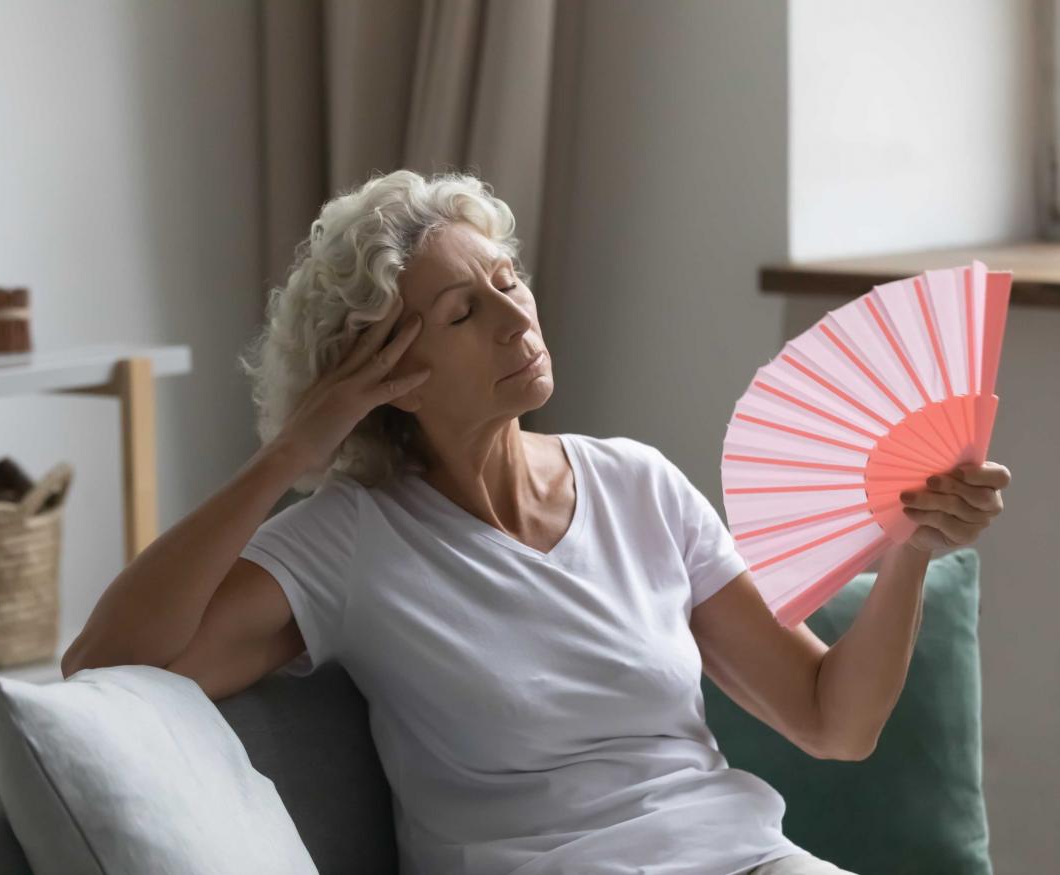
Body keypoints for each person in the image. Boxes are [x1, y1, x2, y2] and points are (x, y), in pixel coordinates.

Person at [63, 169, 1009, 875]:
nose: (516, 321)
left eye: (508, 281)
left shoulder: (639, 483)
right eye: (464, 311)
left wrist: (909, 551)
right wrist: (290, 455)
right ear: (383, 373)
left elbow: (831, 719)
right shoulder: (347, 540)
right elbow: (104, 667)